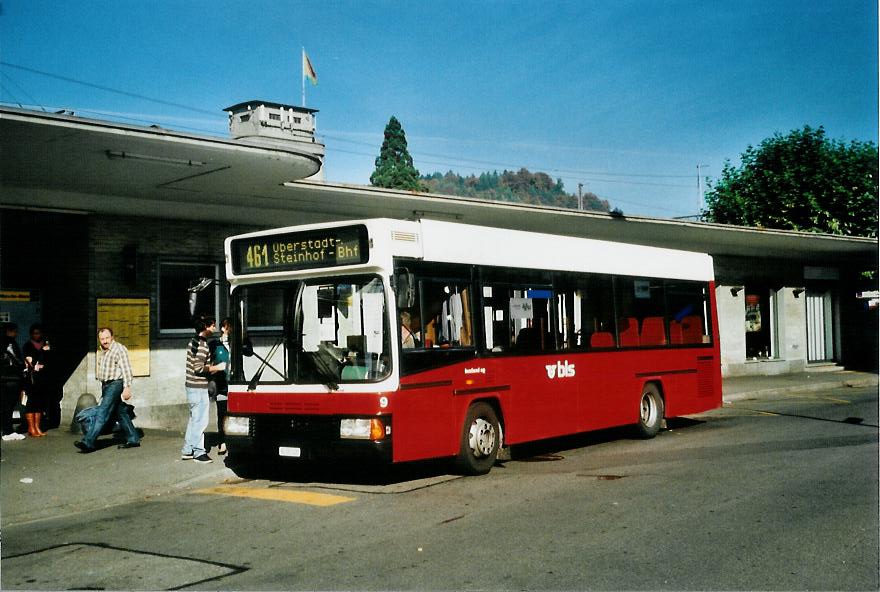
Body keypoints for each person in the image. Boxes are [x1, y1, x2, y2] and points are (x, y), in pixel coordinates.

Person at [75, 327, 140, 453]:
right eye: (102, 338)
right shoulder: (103, 350)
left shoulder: (119, 349)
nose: (104, 341)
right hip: (106, 384)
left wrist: (127, 387)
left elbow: (126, 369)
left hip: (116, 384)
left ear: (112, 337)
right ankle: (133, 438)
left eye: (107, 338)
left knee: (102, 412)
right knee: (119, 411)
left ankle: (88, 442)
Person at [182, 314, 218, 464]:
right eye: (213, 325)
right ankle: (198, 452)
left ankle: (187, 450)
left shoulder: (194, 341)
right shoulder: (203, 346)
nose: (214, 328)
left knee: (193, 419)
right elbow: (198, 368)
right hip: (199, 387)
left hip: (191, 386)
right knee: (200, 421)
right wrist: (217, 367)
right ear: (206, 327)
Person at [22, 324, 50, 437]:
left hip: (42, 377)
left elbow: (49, 359)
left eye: (38, 333)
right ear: (31, 334)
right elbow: (29, 359)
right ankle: (31, 428)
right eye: (34, 333)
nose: (37, 335)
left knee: (40, 403)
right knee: (31, 402)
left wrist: (45, 351)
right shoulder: (28, 345)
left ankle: (37, 427)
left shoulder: (46, 344)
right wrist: (42, 351)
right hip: (31, 377)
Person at [209, 318, 231, 455]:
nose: (232, 330)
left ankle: (232, 441)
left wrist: (244, 337)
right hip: (221, 385)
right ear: (223, 329)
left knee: (234, 415)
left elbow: (249, 351)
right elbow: (208, 363)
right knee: (222, 414)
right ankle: (222, 441)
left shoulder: (237, 343)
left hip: (236, 385)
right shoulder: (215, 344)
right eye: (229, 327)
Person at [1, 322, 27, 441]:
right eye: (14, 331)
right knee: (8, 405)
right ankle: (7, 431)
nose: (16, 333)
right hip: (10, 378)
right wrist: (23, 366)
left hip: (7, 378)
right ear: (9, 331)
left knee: (6, 405)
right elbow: (17, 360)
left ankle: (6, 430)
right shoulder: (9, 343)